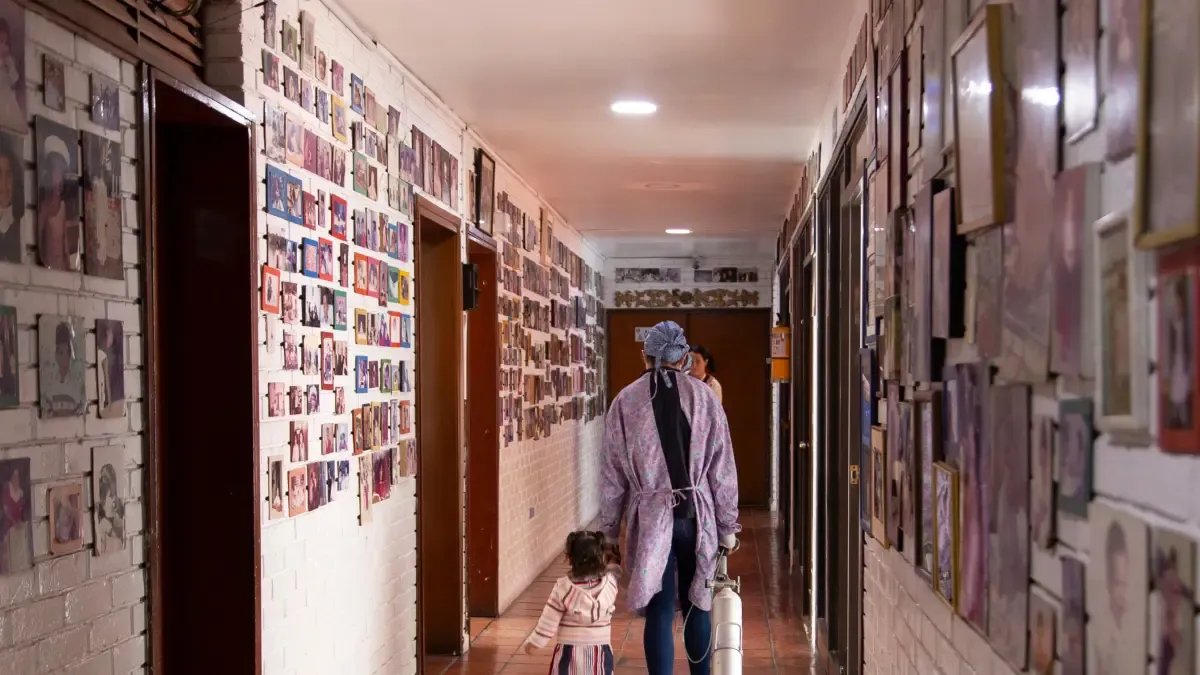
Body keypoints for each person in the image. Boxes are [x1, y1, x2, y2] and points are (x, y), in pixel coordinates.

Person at [599, 321, 739, 675]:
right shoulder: (705, 397)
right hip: (699, 518)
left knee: (660, 609)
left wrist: (609, 530)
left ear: (643, 354)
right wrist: (727, 525)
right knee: (699, 603)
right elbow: (722, 467)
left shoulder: (625, 402)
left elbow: (612, 474)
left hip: (649, 520)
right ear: (684, 358)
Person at [523, 531, 621, 675]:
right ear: (600, 557)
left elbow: (548, 621)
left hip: (569, 653)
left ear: (569, 558)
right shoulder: (610, 585)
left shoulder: (563, 588)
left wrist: (535, 642)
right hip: (600, 651)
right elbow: (615, 572)